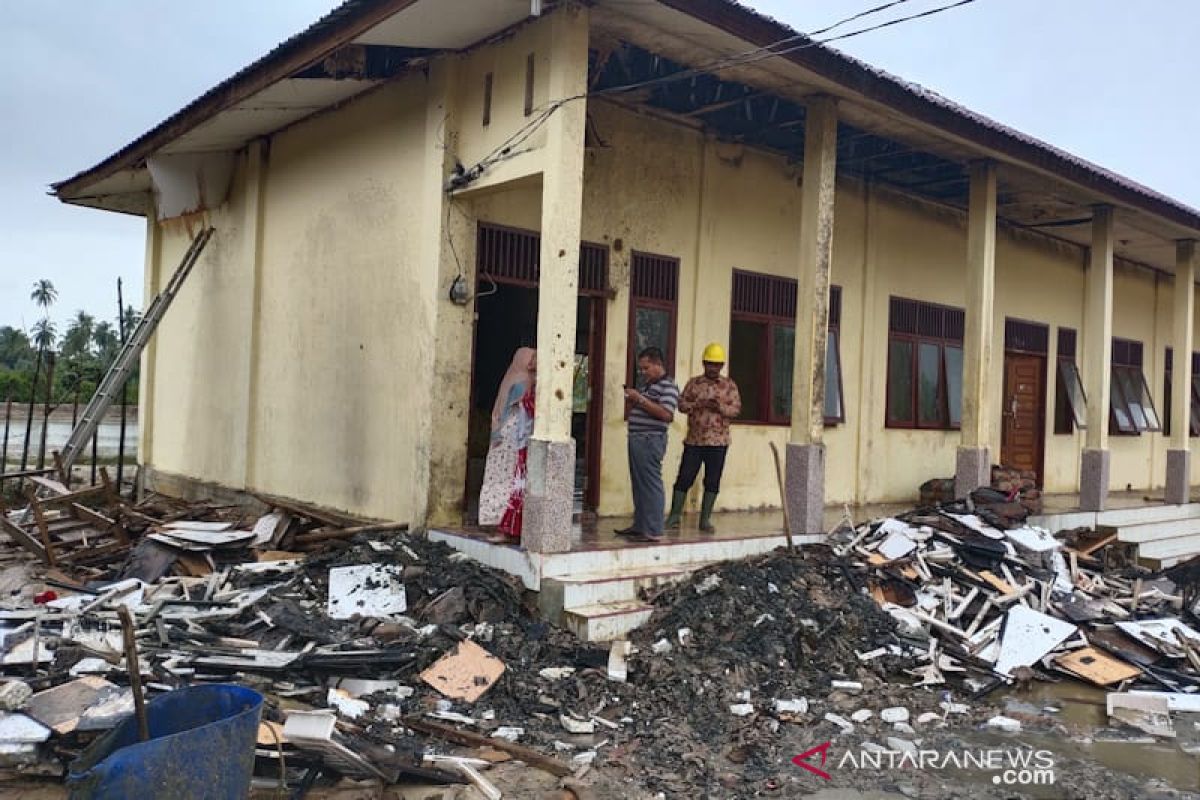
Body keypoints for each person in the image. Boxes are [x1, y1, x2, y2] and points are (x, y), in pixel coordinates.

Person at [666, 342, 742, 533]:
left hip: (718, 442)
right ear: (703, 363)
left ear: (722, 366)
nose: (713, 368)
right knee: (685, 477)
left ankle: (705, 519)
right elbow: (681, 404)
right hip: (695, 440)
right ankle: (674, 516)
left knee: (712, 480)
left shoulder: (729, 385)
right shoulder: (694, 383)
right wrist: (697, 404)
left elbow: (736, 409)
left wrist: (720, 408)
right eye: (709, 364)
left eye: (717, 365)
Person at [618, 347, 680, 542]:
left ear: (657, 364)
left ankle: (653, 530)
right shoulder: (648, 386)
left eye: (646, 368)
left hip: (650, 440)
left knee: (651, 485)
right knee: (639, 484)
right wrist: (633, 400)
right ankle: (640, 526)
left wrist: (640, 399)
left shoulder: (668, 387)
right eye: (641, 369)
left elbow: (666, 415)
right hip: (637, 438)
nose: (643, 372)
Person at [478, 348, 536, 539]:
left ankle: (496, 519)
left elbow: (499, 410)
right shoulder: (525, 380)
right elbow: (524, 407)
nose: (534, 361)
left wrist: (495, 433)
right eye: (532, 357)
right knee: (509, 476)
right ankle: (502, 521)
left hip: (504, 432)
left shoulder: (512, 376)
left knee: (502, 476)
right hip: (513, 433)